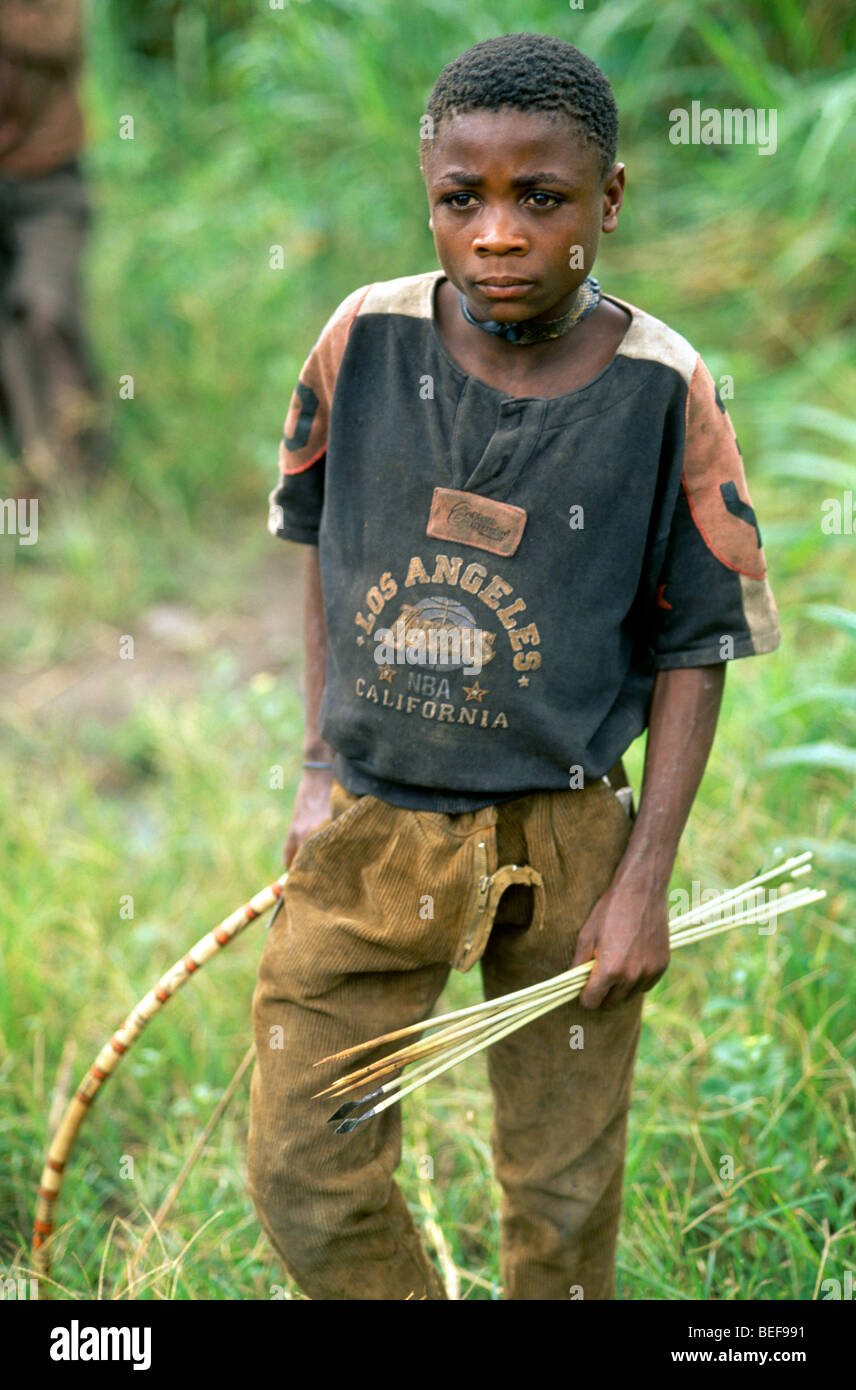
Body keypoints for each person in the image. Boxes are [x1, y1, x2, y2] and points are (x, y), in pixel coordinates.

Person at [247, 32, 781, 1301]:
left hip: (569, 840)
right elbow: (320, 541)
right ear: (427, 196)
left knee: (560, 1188)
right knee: (298, 1164)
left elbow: (696, 642)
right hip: (375, 830)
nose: (496, 233)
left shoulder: (664, 388)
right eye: (461, 199)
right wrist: (320, 768)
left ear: (606, 202)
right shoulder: (361, 340)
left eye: (539, 199)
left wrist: (643, 878)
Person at [0, 0, 103, 489]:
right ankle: (37, 469)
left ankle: (87, 458)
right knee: (7, 332)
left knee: (46, 309)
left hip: (49, 181)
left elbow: (60, 36)